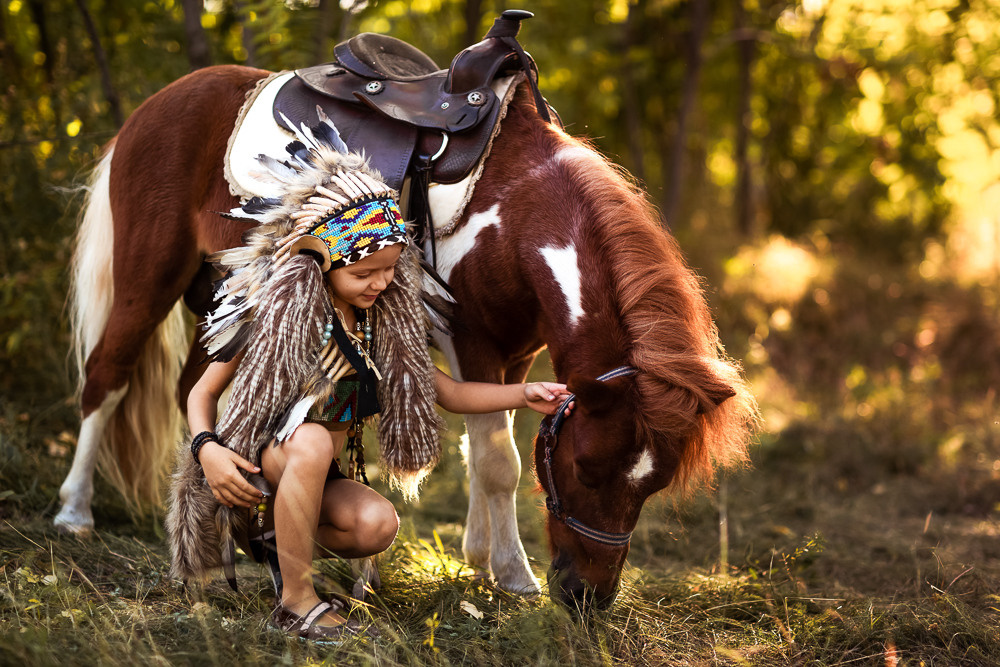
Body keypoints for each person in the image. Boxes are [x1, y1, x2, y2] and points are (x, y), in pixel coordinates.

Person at [166, 116, 572, 642]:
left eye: (390, 269)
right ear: (322, 259)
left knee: (377, 525)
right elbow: (204, 391)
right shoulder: (274, 311)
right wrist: (207, 449)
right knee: (311, 439)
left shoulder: (382, 324)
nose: (380, 282)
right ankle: (294, 603)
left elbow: (446, 392)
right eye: (363, 273)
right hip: (255, 468)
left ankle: (279, 547)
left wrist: (524, 392)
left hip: (312, 479)